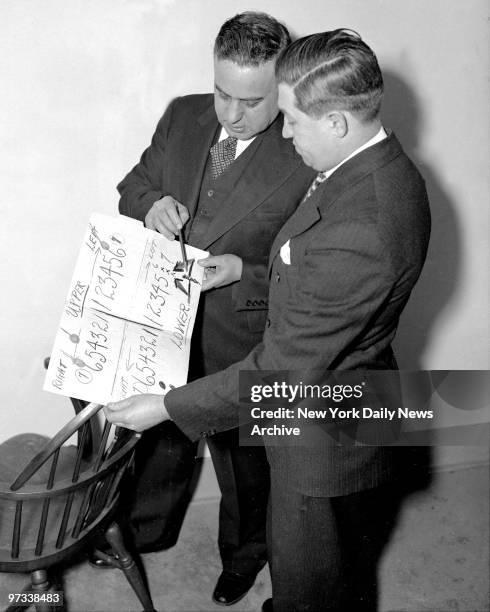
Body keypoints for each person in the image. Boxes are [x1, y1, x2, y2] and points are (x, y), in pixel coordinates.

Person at [105, 29, 431, 611]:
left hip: (315, 421)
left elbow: (284, 365)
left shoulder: (363, 216)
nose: (278, 130)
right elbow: (305, 264)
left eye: (287, 117)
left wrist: (162, 407)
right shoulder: (363, 169)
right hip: (317, 391)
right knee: (316, 571)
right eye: (222, 94)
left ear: (334, 123)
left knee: (309, 570)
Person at [113, 11, 315, 607]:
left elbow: (314, 267)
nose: (231, 113)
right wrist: (151, 204)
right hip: (162, 324)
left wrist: (243, 273)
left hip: (242, 336)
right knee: (155, 443)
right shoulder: (182, 112)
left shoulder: (307, 148)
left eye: (251, 101)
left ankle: (244, 557)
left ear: (283, 87)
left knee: (244, 467)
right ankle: (147, 535)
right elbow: (133, 183)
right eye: (223, 92)